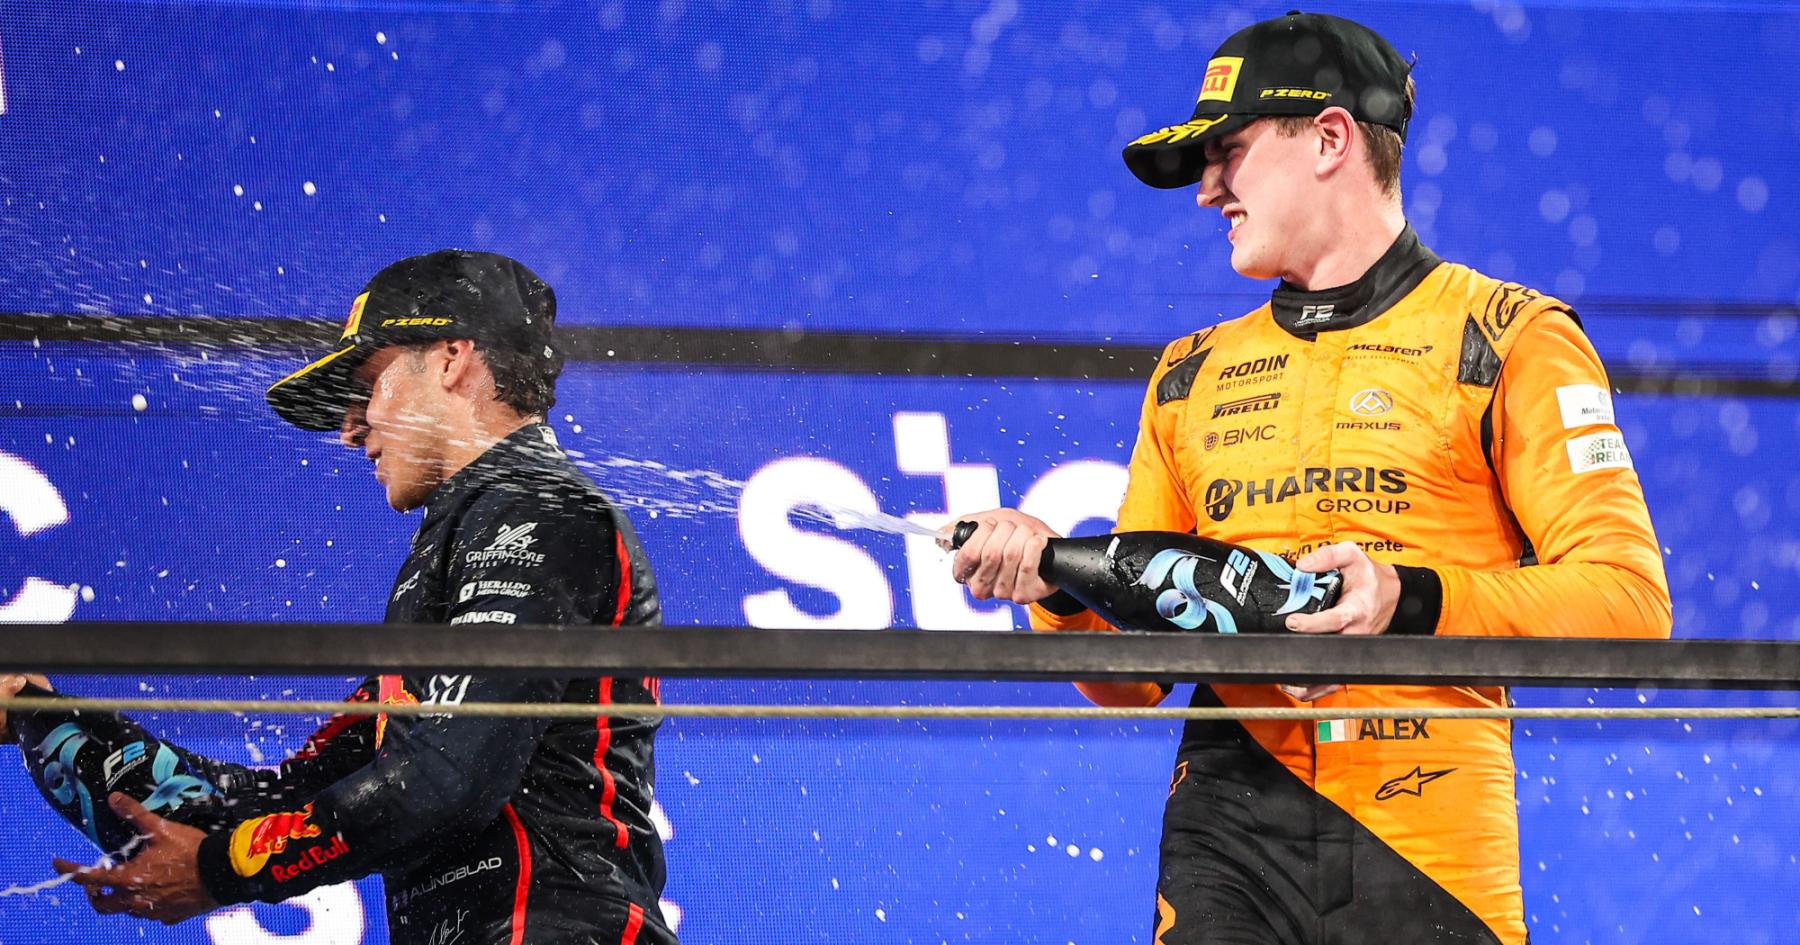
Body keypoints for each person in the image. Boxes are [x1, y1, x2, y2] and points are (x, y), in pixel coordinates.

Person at [948, 12, 1671, 945]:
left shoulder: (1510, 336)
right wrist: (1052, 584)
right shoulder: (1189, 373)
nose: (1208, 190)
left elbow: (1629, 603)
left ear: (1330, 138)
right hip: (1225, 836)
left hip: (1431, 849)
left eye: (1229, 151)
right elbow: (1132, 679)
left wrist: (1408, 599)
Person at [4, 249, 676, 945]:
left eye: (368, 386)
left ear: (452, 359)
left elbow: (449, 779)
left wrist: (219, 870)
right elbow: (266, 806)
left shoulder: (539, 508)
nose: (350, 428)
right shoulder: (466, 540)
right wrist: (41, 715)